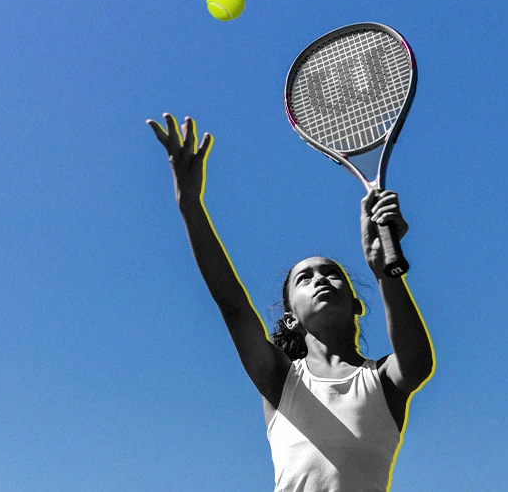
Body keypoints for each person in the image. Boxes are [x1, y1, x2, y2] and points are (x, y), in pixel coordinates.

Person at [147, 113, 435, 492]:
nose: (320, 279)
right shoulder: (280, 379)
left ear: (355, 304)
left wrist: (384, 271)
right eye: (305, 277)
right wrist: (191, 206)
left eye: (332, 274)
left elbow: (418, 363)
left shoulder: (382, 380)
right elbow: (232, 302)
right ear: (290, 320)